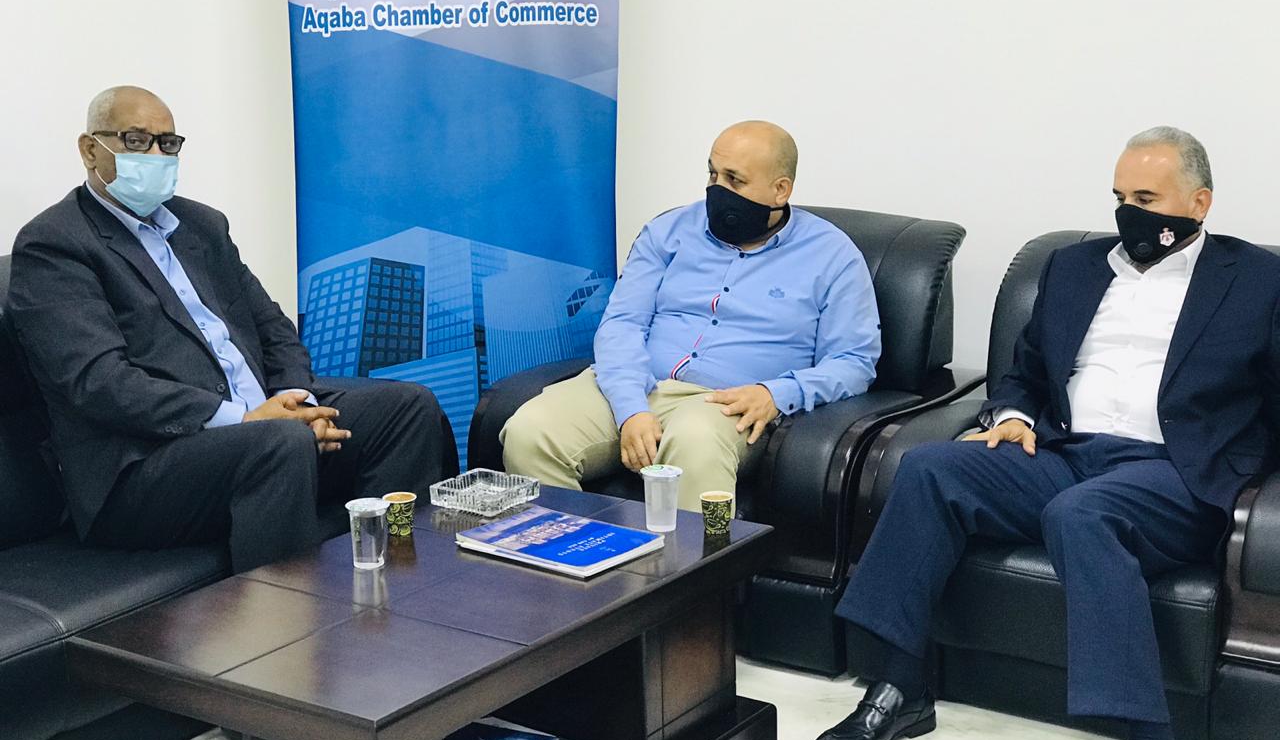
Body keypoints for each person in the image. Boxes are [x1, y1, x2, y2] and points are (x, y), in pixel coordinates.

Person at [816, 127, 1280, 740]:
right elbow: (1025, 371)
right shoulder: (1075, 267)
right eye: (1120, 197)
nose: (1129, 213)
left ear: (1200, 203)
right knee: (929, 469)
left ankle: (1148, 733)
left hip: (1174, 471)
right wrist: (1011, 416)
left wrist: (1249, 473)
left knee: (1082, 513)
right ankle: (899, 688)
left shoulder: (1257, 280)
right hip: (1064, 453)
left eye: (1147, 198)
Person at [6, 85, 455, 572]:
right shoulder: (54, 244)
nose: (155, 155)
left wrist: (298, 402)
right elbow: (100, 383)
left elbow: (272, 327)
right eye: (135, 141)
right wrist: (243, 420)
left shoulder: (201, 225)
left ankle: (400, 582)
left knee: (407, 407)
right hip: (142, 469)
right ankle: (288, 616)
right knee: (279, 443)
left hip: (257, 433)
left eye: (167, 143)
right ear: (90, 149)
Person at [501, 120, 882, 511]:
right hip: (639, 384)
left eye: (734, 180)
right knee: (530, 433)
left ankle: (693, 555)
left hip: (726, 405)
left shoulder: (832, 256)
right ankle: (577, 548)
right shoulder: (669, 231)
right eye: (713, 174)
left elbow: (854, 362)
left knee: (694, 440)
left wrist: (776, 394)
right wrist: (631, 408)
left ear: (780, 190)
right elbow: (623, 324)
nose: (718, 189)